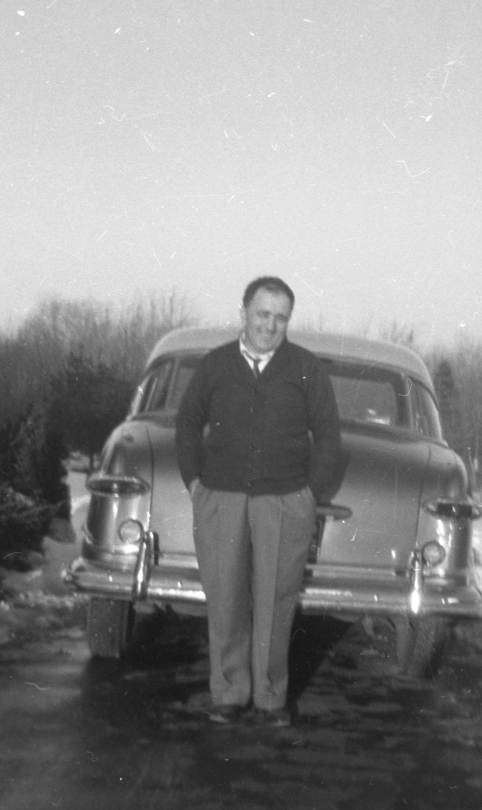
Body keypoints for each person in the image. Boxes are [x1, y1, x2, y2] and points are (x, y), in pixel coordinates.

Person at [175, 276, 341, 726]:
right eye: (262, 314)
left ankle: (270, 697)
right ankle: (228, 691)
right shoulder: (215, 365)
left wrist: (309, 493)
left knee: (275, 600)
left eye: (280, 317)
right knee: (225, 598)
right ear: (244, 313)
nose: (270, 325)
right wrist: (194, 482)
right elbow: (188, 423)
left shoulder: (306, 368)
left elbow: (328, 435)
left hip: (284, 501)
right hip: (221, 498)